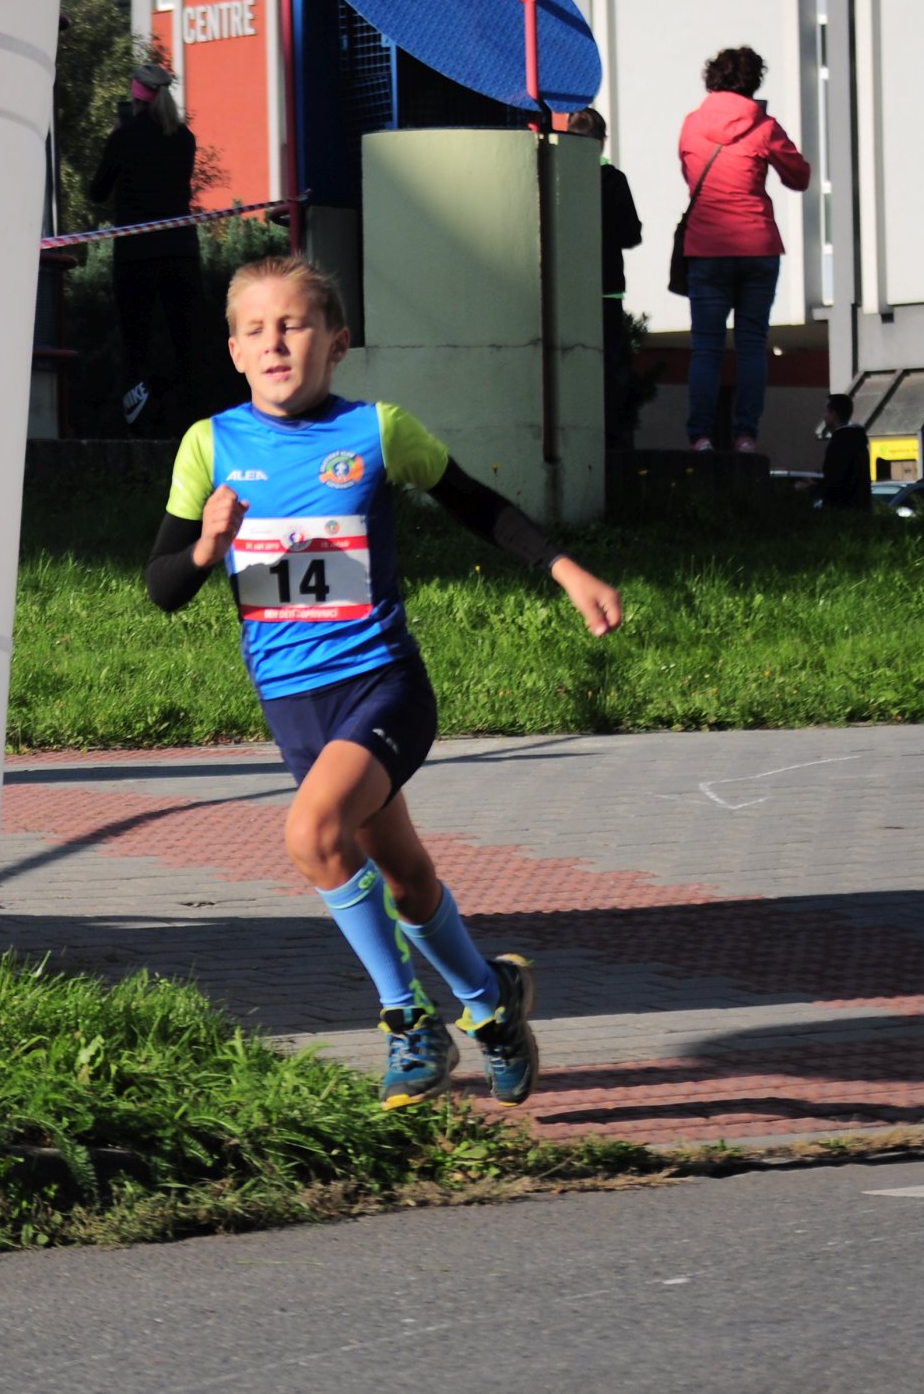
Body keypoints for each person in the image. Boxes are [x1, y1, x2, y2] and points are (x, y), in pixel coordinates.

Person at [143, 254, 625, 1110]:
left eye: (294, 325)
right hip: (294, 706)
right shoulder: (210, 445)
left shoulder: (377, 431)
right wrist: (208, 547)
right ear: (235, 352)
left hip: (381, 685)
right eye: (255, 330)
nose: (275, 342)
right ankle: (493, 1004)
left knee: (311, 832)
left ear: (337, 343)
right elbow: (163, 587)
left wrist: (564, 568)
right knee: (402, 874)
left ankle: (410, 1022)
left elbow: (475, 502)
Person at [678, 47, 809, 454]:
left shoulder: (692, 124)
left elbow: (689, 175)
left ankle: (701, 437)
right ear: (753, 82)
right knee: (752, 344)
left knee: (706, 347)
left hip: (706, 247)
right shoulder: (764, 126)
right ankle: (745, 436)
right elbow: (800, 177)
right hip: (757, 246)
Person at [87, 63, 199, 435]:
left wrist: (115, 140)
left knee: (136, 340)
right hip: (181, 250)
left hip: (137, 254)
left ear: (136, 98)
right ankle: (189, 420)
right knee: (184, 339)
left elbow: (97, 191)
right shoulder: (185, 139)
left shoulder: (125, 138)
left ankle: (139, 424)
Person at [564, 108, 643, 442]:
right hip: (606, 289)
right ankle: (609, 437)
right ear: (601, 141)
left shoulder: (559, 177)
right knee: (609, 367)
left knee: (569, 362)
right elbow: (631, 235)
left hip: (567, 290)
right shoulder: (613, 180)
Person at [819, 393, 872, 511]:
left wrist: (813, 487)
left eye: (827, 412)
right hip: (857, 512)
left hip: (843, 513)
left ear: (834, 415)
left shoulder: (840, 443)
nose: (824, 416)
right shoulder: (857, 440)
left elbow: (835, 481)